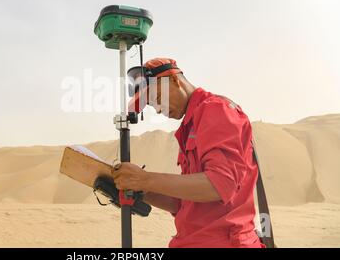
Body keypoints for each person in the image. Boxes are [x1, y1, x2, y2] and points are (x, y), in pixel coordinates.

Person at [112, 58, 263, 248]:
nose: (159, 110)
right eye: (152, 106)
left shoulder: (215, 109)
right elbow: (185, 203)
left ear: (174, 80)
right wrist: (143, 191)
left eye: (158, 99)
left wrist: (145, 179)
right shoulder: (191, 123)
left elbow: (220, 185)